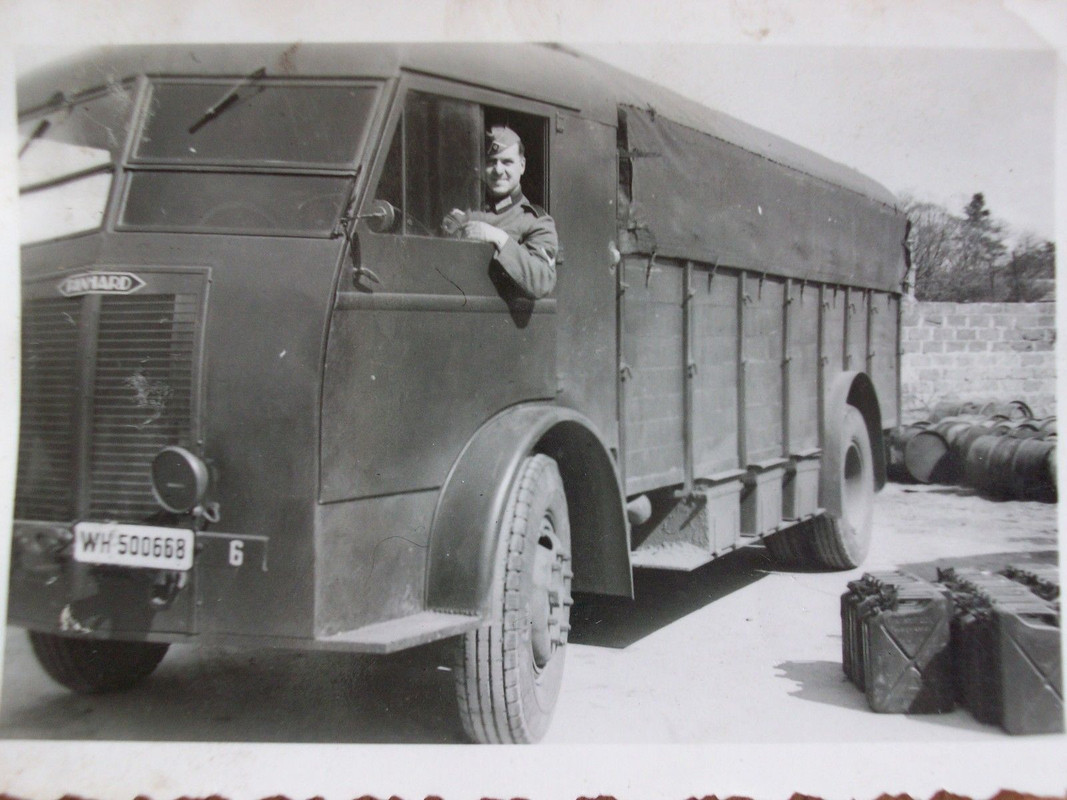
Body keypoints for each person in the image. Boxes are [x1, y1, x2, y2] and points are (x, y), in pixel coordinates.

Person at [446, 126, 558, 299]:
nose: (498, 170)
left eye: (507, 162)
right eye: (491, 162)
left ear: (522, 166)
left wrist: (500, 238)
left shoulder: (536, 222)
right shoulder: (467, 213)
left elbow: (543, 281)